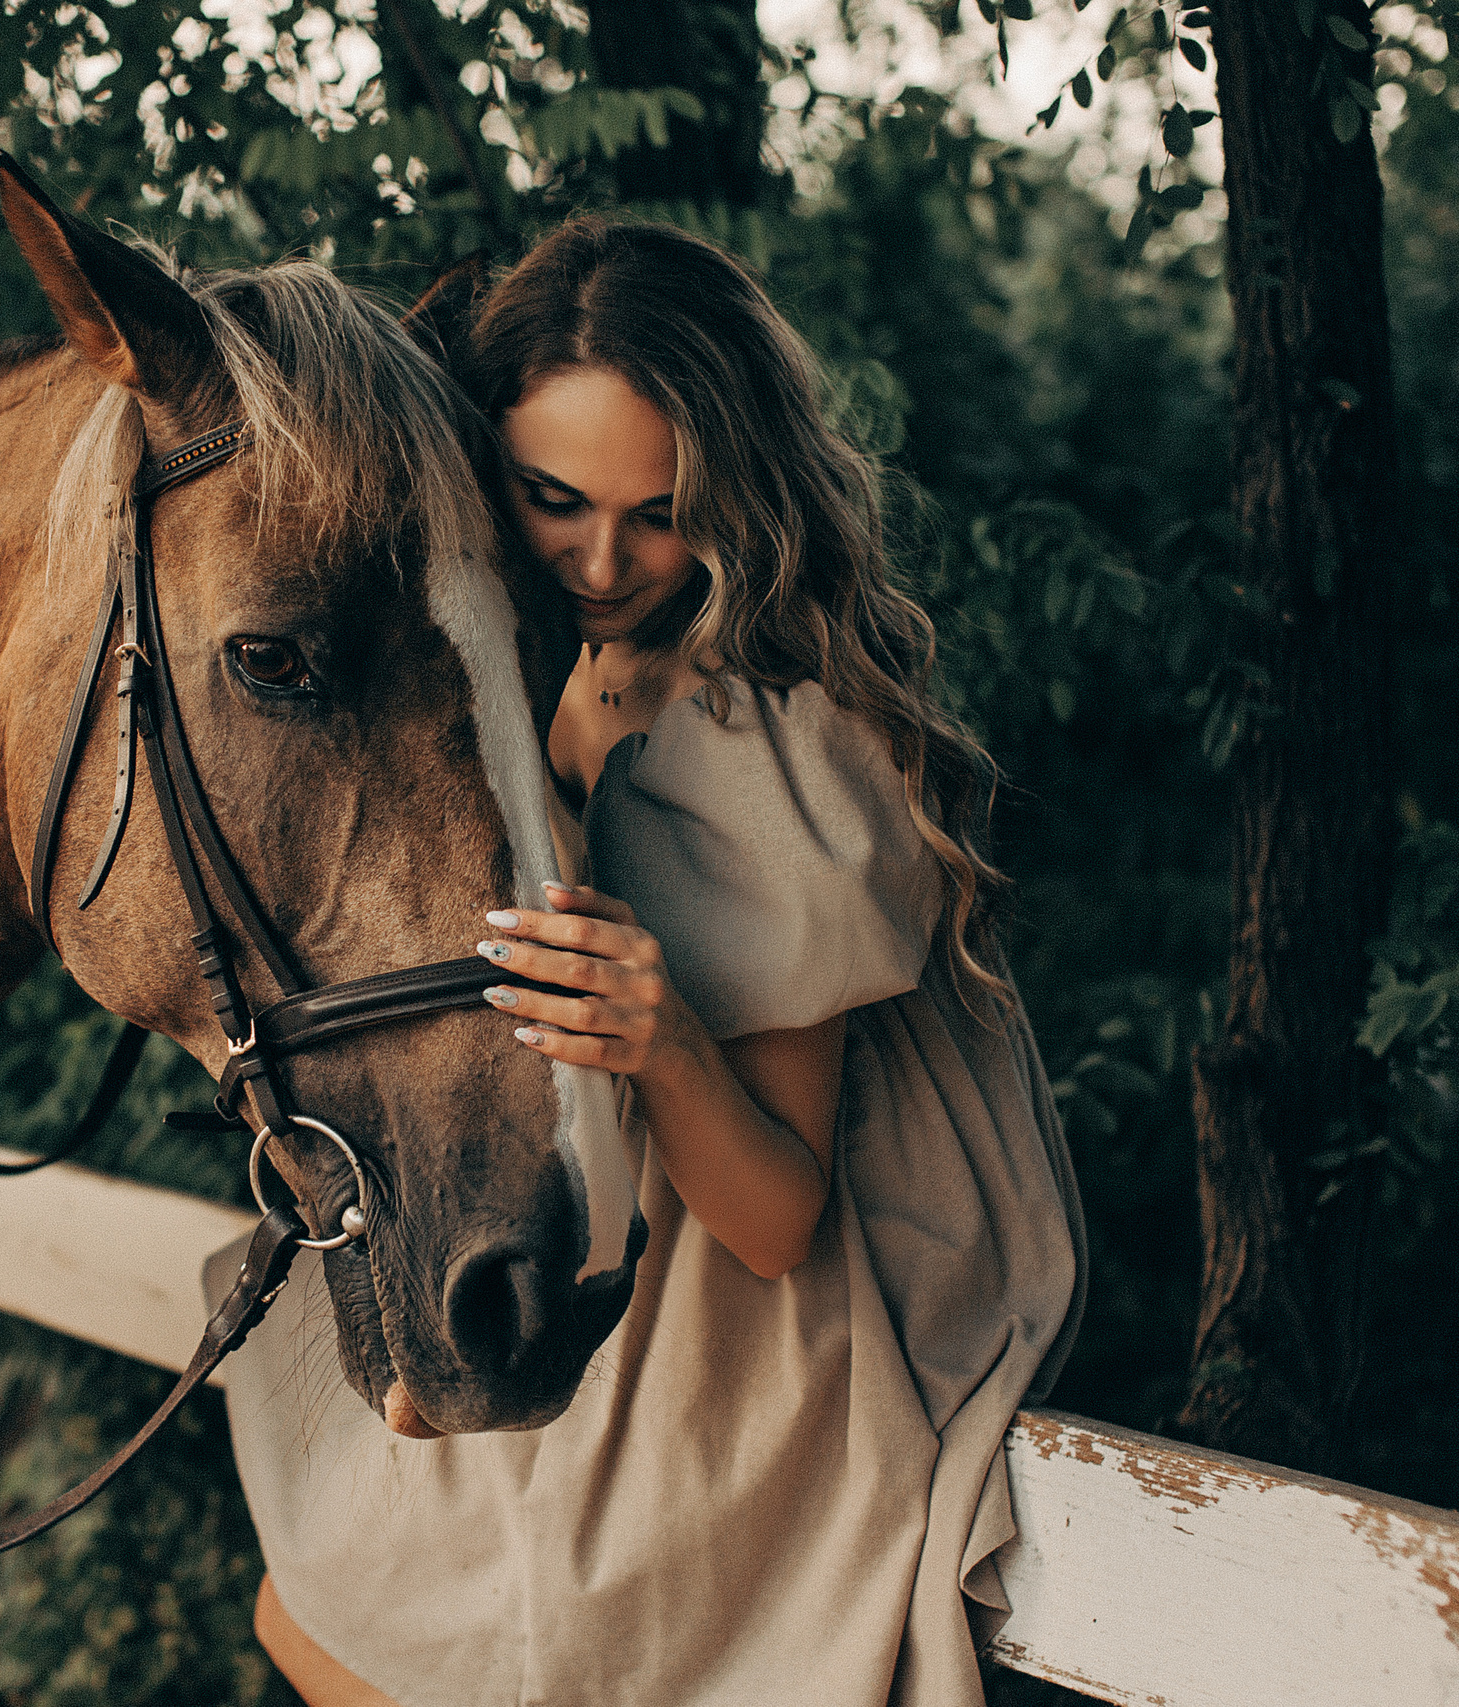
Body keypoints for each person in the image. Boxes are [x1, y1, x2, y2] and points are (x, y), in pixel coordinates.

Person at [218, 219, 1088, 1707]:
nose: (603, 560)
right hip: (563, 1270)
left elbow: (774, 1220)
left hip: (725, 1366)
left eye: (661, 514)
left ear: (737, 500)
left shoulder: (767, 734)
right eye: (554, 499)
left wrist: (666, 1033)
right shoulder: (494, 677)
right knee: (314, 1616)